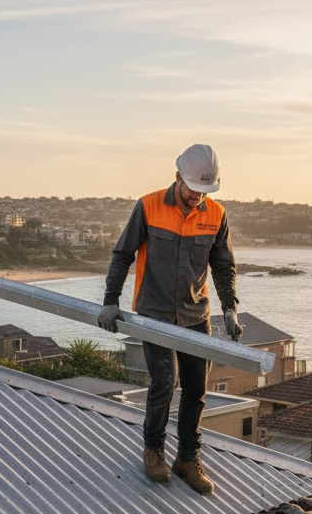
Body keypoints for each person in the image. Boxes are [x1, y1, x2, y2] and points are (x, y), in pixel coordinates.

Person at [97, 143, 241, 495]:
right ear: (177, 177)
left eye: (205, 191)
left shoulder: (216, 215)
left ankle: (188, 458)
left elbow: (223, 266)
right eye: (193, 189)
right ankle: (154, 450)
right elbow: (122, 254)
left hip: (196, 314)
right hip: (155, 314)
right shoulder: (147, 207)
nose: (197, 197)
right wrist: (110, 300)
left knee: (196, 390)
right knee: (165, 383)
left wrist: (230, 308)